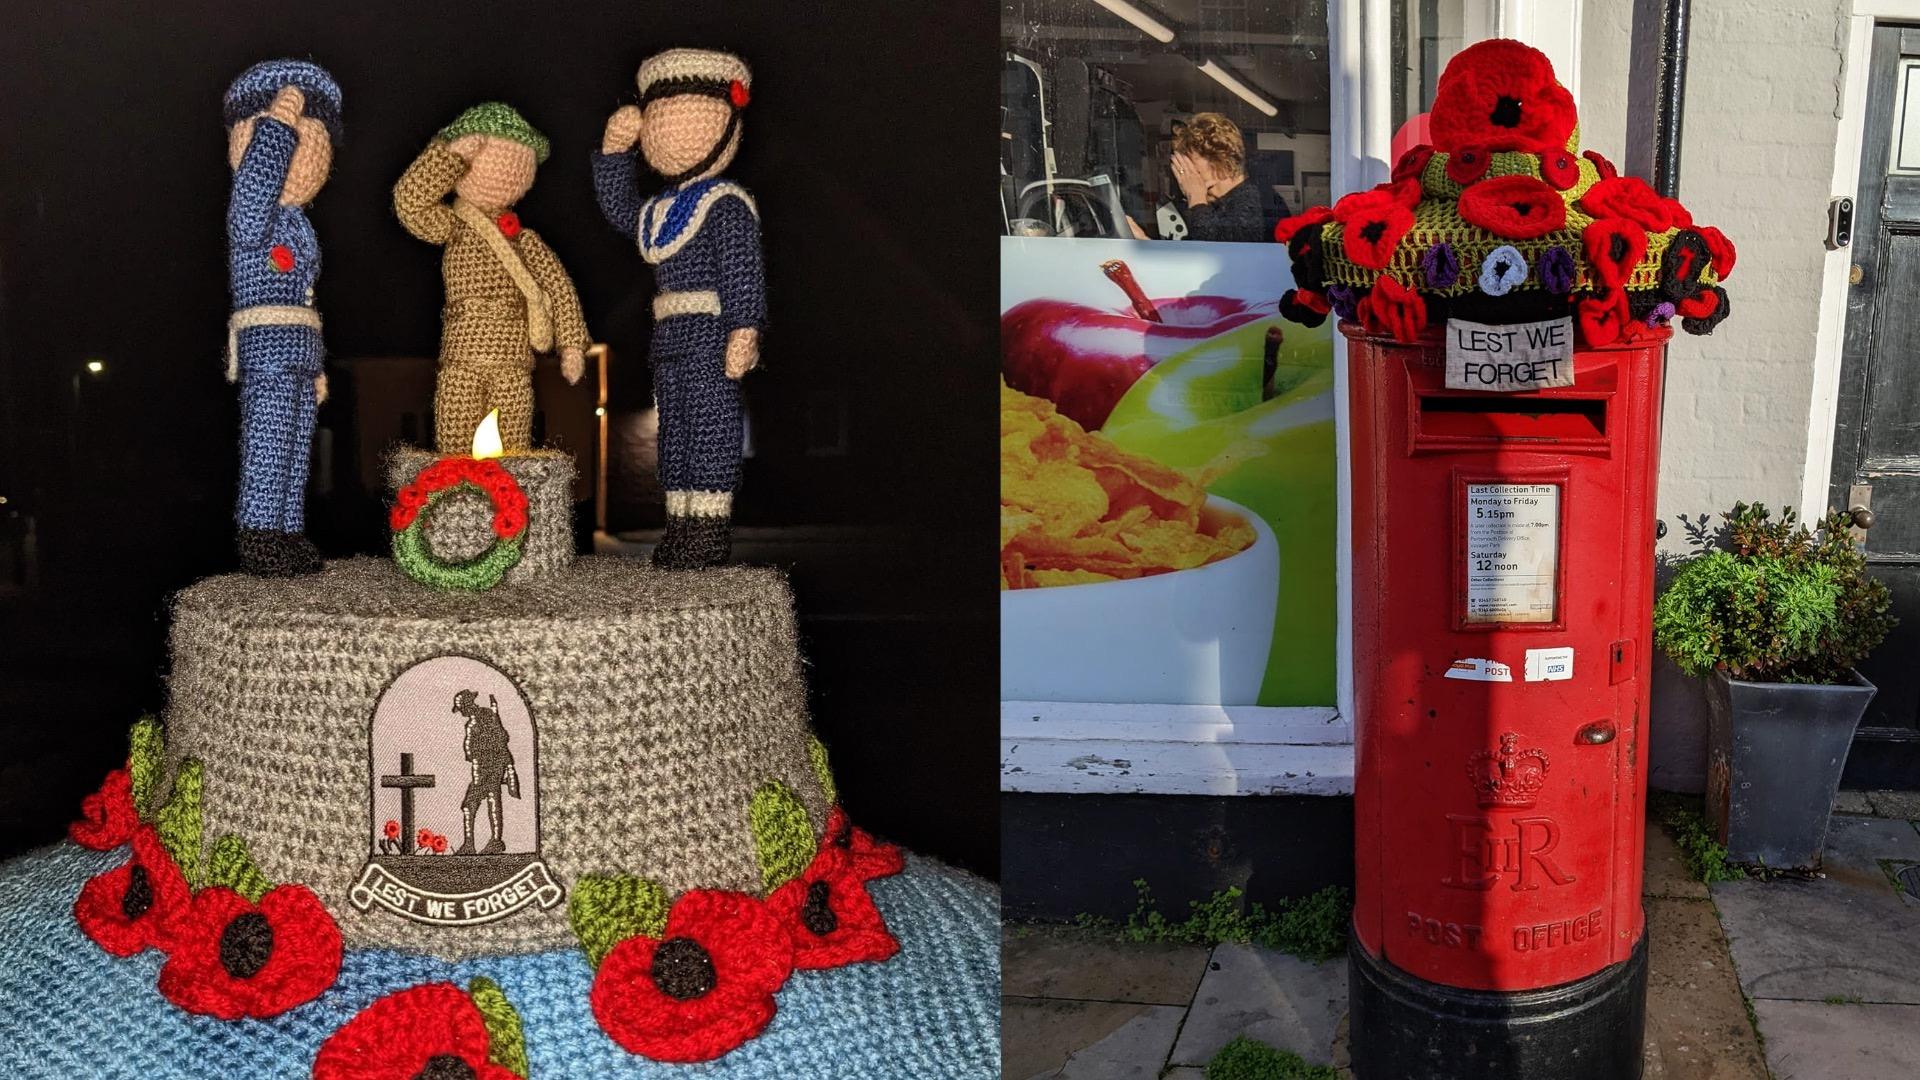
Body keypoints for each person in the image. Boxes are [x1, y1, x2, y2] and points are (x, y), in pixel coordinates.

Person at [592, 48, 766, 570]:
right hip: (668, 339)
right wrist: (613, 156)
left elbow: (742, 271)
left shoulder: (727, 204)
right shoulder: (663, 211)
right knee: (675, 434)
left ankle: (707, 530)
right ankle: (680, 525)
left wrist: (744, 328)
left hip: (712, 335)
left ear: (726, 123)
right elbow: (621, 211)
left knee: (711, 428)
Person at [394, 103, 590, 453]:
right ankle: (453, 500)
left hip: (513, 357)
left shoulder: (525, 241)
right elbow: (410, 202)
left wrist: (571, 343)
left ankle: (507, 504)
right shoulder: (454, 227)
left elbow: (559, 286)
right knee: (456, 441)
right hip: (461, 354)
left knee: (512, 446)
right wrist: (449, 156)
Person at [223, 60, 341, 576]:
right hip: (267, 347)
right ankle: (259, 532)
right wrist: (278, 126)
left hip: (297, 347)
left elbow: (307, 300)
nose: (302, 156)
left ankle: (287, 530)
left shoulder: (296, 224)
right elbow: (252, 193)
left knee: (296, 446)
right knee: (269, 442)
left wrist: (317, 368)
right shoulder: (254, 210)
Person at [1128, 112, 1269, 243]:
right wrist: (1145, 242)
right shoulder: (1217, 205)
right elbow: (1192, 258)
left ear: (1219, 160)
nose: (1182, 170)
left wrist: (1196, 198)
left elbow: (1218, 253)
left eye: (1189, 161)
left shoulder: (1252, 200)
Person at [452, 688, 519, 855]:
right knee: (488, 800)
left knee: (476, 803)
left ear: (467, 706)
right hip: (482, 767)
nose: (461, 713)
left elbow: (501, 738)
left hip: (488, 766)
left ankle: (482, 844)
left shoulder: (485, 717)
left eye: (461, 709)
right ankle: (484, 843)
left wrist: (506, 767)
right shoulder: (479, 719)